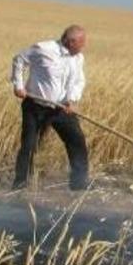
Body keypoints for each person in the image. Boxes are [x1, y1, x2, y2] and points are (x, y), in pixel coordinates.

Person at [10, 25, 89, 190]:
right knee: (29, 146)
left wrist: (72, 100)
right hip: (36, 106)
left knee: (77, 141)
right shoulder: (43, 49)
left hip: (62, 109)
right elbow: (19, 59)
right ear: (71, 42)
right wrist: (18, 86)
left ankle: (79, 185)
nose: (83, 47)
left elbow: (79, 81)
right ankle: (19, 186)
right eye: (81, 43)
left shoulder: (78, 58)